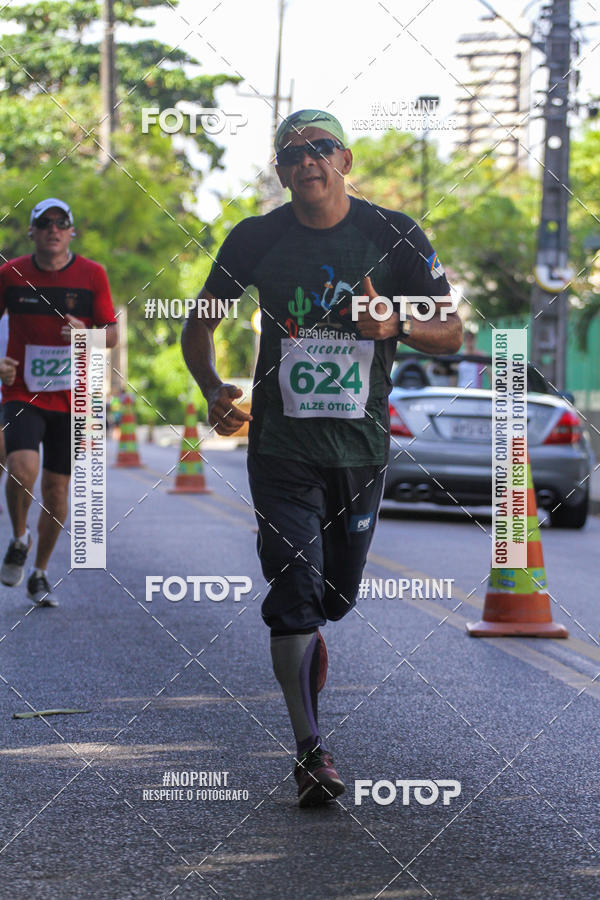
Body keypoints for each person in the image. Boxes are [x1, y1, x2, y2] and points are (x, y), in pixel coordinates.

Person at [182, 110, 462, 807]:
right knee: (295, 590)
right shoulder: (254, 238)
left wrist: (394, 321)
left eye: (320, 148)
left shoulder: (393, 233)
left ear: (345, 159)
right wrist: (213, 388)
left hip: (360, 450)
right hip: (280, 446)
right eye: (292, 153)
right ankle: (310, 751)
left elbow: (452, 331)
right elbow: (199, 324)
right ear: (280, 171)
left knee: (335, 596)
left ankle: (311, 636)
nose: (307, 160)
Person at [0, 198, 118, 606]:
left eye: (61, 223)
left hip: (74, 399)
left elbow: (112, 337)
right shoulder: (11, 274)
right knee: (20, 467)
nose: (53, 229)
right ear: (32, 231)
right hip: (23, 392)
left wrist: (86, 331)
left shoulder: (92, 275)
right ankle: (19, 538)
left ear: (71, 232)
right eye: (44, 223)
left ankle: (40, 572)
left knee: (55, 490)